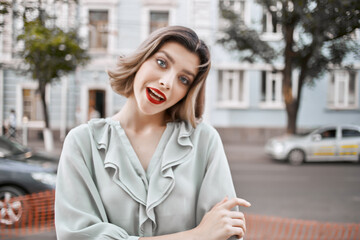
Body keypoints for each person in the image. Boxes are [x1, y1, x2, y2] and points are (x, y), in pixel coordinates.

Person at [55, 26, 251, 240]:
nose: (166, 83)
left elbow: (225, 232)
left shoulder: (204, 140)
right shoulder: (82, 143)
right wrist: (197, 235)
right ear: (142, 59)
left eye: (183, 79)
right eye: (162, 63)